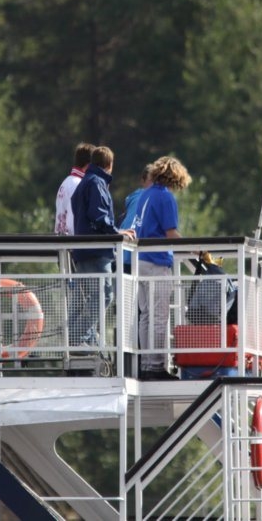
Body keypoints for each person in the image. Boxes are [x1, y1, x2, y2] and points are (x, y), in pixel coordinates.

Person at [69, 146, 135, 348]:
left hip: (82, 251)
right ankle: (78, 337)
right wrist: (117, 232)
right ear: (109, 164)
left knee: (89, 297)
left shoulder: (84, 182)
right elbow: (99, 216)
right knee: (104, 295)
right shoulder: (97, 183)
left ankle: (79, 338)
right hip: (96, 251)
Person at [133, 156, 192, 380]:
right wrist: (195, 250)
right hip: (157, 262)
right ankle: (156, 366)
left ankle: (145, 364)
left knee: (146, 316)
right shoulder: (165, 197)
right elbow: (171, 233)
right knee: (159, 316)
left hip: (141, 260)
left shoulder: (145, 194)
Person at [119, 163, 153, 272]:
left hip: (123, 253)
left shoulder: (133, 197)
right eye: (151, 180)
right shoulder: (145, 198)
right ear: (143, 181)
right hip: (134, 255)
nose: (154, 184)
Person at [55, 142, 95, 235]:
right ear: (89, 164)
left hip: (62, 239)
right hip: (74, 240)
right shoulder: (80, 184)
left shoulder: (66, 182)